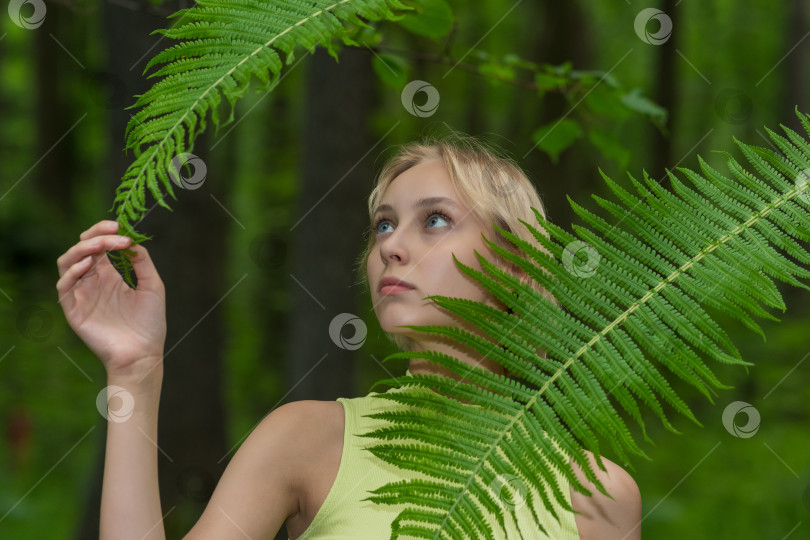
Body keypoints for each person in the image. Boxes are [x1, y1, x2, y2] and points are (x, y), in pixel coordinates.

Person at [56, 132, 641, 539]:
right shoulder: (308, 439)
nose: (390, 244)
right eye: (383, 223)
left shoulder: (599, 496)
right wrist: (134, 373)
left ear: (515, 266)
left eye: (434, 219)